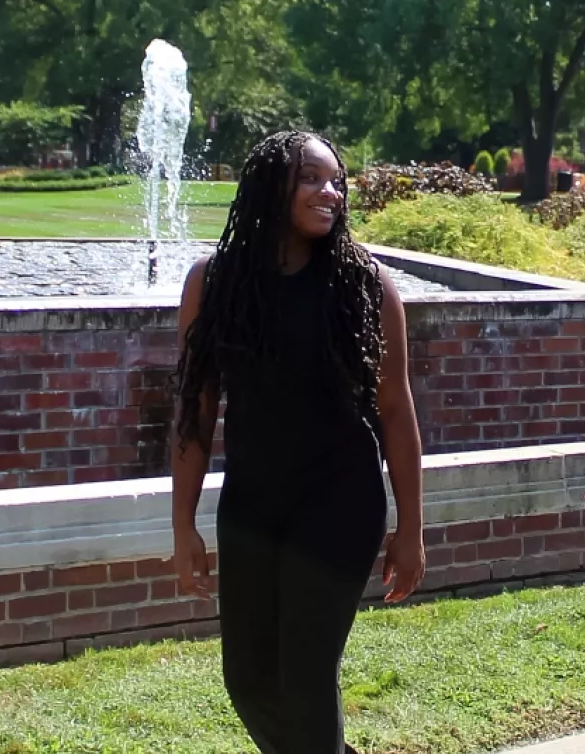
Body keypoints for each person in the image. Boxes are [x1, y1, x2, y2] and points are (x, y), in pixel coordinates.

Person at [169, 131, 427, 754]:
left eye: (337, 180)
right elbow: (194, 409)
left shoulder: (365, 283)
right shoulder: (215, 281)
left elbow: (395, 409)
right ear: (269, 186)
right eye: (312, 178)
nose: (330, 192)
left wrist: (411, 528)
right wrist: (183, 525)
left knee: (306, 678)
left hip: (341, 501)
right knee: (249, 679)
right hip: (254, 501)